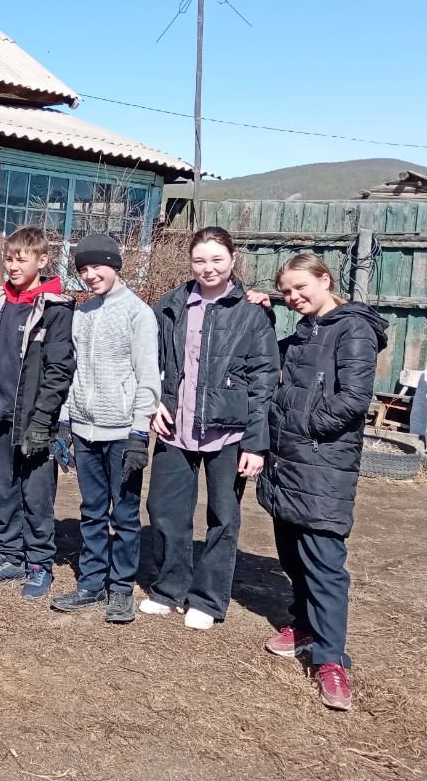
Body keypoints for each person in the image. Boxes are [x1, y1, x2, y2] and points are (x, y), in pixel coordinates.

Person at [258, 253, 386, 712]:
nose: (294, 298)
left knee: (325, 562)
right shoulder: (302, 333)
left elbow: (353, 399)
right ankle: (304, 625)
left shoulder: (353, 329)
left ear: (324, 280)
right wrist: (264, 309)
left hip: (322, 462)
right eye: (286, 292)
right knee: (292, 553)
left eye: (300, 288)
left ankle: (332, 659)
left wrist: (305, 427)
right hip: (288, 461)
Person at [142, 226, 278, 630]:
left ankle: (208, 598)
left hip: (228, 432)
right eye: (200, 260)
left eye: (217, 259)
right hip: (175, 428)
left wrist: (256, 444)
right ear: (190, 262)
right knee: (165, 511)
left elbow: (264, 379)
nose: (208, 268)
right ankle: (169, 588)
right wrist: (152, 404)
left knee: (223, 516)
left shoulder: (252, 313)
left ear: (233, 260)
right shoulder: (170, 305)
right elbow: (150, 364)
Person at [50, 232, 160, 623]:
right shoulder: (82, 313)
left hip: (121, 433)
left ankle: (121, 589)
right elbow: (73, 372)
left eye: (97, 266)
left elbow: (148, 377)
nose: (90, 275)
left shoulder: (138, 314)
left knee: (125, 515)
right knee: (92, 510)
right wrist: (64, 420)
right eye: (82, 269)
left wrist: (139, 432)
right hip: (84, 428)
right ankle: (92, 582)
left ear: (115, 265)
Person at [0, 226, 75, 600]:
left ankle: (39, 563)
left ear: (42, 261)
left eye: (22, 259)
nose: (13, 266)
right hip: (2, 415)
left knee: (37, 494)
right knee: (4, 490)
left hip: (36, 423)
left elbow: (59, 370)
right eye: (9, 259)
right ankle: (9, 555)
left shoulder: (55, 307)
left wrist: (44, 420)